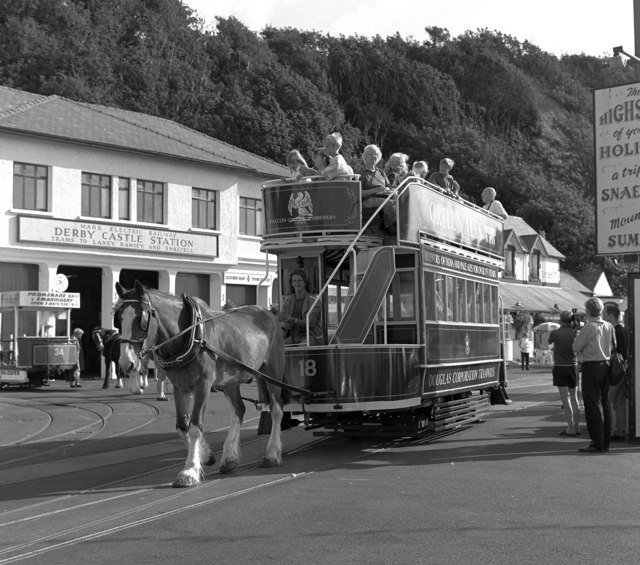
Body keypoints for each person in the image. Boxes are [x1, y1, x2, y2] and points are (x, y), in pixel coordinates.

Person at [572, 297, 616, 453]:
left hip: (592, 366)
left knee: (593, 405)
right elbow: (613, 346)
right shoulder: (609, 326)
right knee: (605, 404)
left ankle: (596, 441)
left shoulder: (589, 327)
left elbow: (576, 346)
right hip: (606, 365)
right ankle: (605, 441)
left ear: (588, 311)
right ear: (601, 310)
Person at [549, 311, 581, 436]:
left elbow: (549, 341)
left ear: (560, 320)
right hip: (573, 367)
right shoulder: (575, 333)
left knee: (565, 398)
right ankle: (577, 427)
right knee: (574, 397)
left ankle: (570, 427)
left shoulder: (555, 333)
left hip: (560, 367)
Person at [278, 269, 323, 345]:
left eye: (299, 280)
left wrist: (294, 320)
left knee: (303, 346)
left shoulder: (314, 300)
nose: (297, 283)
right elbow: (281, 317)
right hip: (293, 337)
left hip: (311, 336)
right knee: (277, 347)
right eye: (294, 281)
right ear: (291, 283)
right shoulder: (288, 301)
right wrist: (282, 324)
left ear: (305, 283)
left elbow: (311, 322)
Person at [358, 144, 396, 235]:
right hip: (367, 200)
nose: (373, 156)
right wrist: (375, 190)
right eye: (370, 154)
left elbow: (390, 187)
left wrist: (388, 190)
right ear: (365, 157)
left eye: (375, 154)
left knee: (399, 200)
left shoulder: (381, 172)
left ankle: (401, 225)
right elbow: (358, 193)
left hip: (384, 196)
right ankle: (391, 228)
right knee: (388, 203)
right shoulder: (361, 174)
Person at [604, 303, 627, 441]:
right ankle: (620, 431)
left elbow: (611, 352)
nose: (603, 317)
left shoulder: (613, 331)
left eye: (605, 315)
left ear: (611, 316)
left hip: (615, 371)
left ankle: (611, 431)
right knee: (620, 403)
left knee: (608, 401)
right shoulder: (624, 330)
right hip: (624, 369)